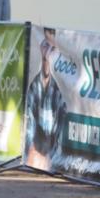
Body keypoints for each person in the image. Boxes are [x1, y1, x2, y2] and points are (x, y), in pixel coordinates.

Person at [25, 29, 67, 172]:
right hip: (33, 158)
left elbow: (59, 136)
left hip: (49, 161)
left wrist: (50, 159)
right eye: (45, 45)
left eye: (52, 48)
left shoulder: (59, 93)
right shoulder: (33, 87)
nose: (47, 51)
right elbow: (28, 129)